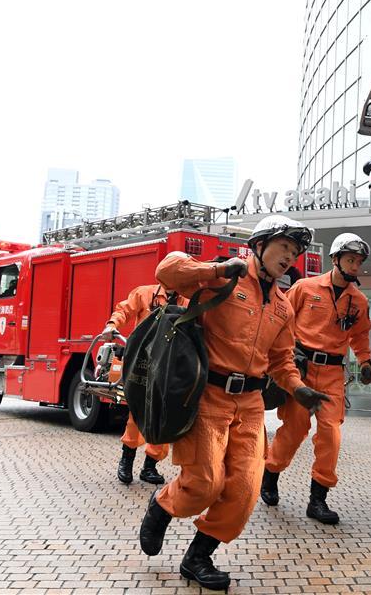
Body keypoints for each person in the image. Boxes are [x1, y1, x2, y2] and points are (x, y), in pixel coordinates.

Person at [137, 215, 331, 590]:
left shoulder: (283, 306)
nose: (290, 256)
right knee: (205, 484)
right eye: (284, 248)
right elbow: (167, 270)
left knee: (244, 490)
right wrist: (214, 269)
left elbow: (281, 361)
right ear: (259, 246)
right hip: (208, 397)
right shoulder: (224, 278)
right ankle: (163, 505)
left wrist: (298, 388)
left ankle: (198, 557)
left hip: (251, 403)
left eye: (295, 252)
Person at [261, 232, 371, 525]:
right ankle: (270, 474)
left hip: (332, 374)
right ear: (335, 259)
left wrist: (365, 362)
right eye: (350, 260)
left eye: (359, 262)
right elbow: (280, 317)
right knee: (295, 429)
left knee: (331, 435)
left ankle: (318, 499)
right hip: (300, 369)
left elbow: (360, 335)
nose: (354, 267)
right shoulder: (305, 288)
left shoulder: (358, 301)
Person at [103, 283, 186, 485]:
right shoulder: (145, 293)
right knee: (137, 413)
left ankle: (150, 467)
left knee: (163, 416)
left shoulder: (188, 300)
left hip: (169, 366)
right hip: (143, 362)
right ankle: (126, 460)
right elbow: (124, 309)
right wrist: (113, 324)